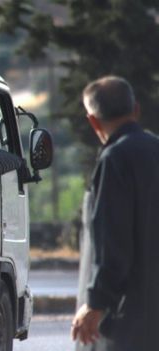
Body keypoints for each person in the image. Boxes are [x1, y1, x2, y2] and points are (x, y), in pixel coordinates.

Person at [71, 76, 159, 351]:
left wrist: (96, 304)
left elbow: (113, 242)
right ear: (136, 109)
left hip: (129, 319)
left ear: (93, 121)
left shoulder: (115, 160)